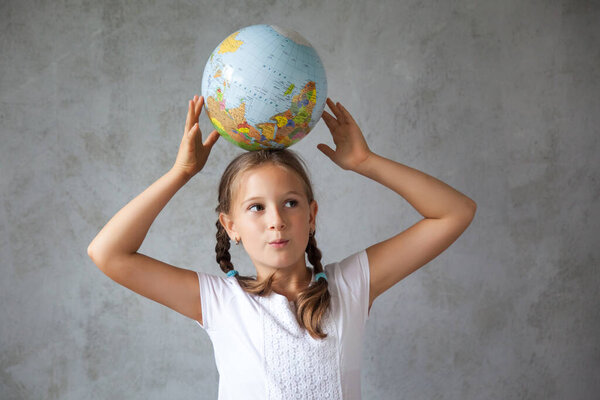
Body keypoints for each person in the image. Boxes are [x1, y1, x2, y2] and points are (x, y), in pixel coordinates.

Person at [87, 95, 477, 399]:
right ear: (231, 226)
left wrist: (365, 161)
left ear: (311, 215)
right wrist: (180, 173)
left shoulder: (352, 285)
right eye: (256, 207)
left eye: (290, 202)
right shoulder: (221, 301)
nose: (276, 219)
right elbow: (108, 253)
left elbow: (454, 212)